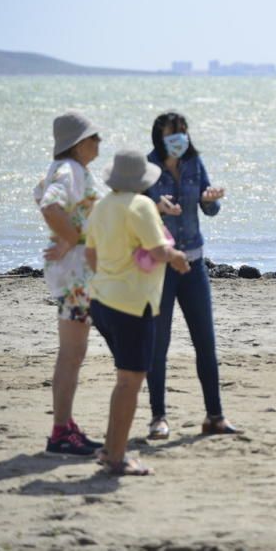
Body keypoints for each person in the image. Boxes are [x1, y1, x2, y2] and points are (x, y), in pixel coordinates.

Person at [85, 149, 191, 476]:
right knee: (130, 381)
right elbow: (158, 250)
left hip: (101, 301)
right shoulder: (142, 205)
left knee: (125, 380)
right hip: (131, 305)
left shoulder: (102, 206)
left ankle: (110, 448)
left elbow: (90, 257)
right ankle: (116, 457)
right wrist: (176, 257)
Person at [143, 112, 240, 439]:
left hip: (195, 265)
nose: (180, 138)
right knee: (159, 344)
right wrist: (156, 207)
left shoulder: (195, 164)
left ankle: (215, 416)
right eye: (173, 133)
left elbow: (208, 208)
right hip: (162, 266)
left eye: (183, 132)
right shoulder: (148, 167)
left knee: (205, 343)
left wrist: (210, 200)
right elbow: (135, 213)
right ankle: (158, 417)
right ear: (160, 135)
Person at [33, 110, 104, 456]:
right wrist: (72, 237)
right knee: (72, 352)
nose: (99, 143)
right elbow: (49, 205)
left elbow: (39, 194)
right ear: (78, 145)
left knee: (72, 352)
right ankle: (61, 430)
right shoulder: (71, 170)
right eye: (94, 138)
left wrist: (67, 236)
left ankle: (66, 425)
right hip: (75, 276)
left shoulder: (64, 170)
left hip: (74, 273)